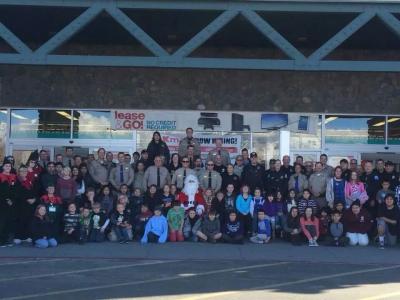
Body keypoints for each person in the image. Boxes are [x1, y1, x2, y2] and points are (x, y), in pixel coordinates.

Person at [14, 165, 38, 245]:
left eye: (25, 171)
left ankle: (26, 236)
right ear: (19, 172)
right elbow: (16, 193)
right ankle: (18, 237)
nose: (24, 172)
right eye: (22, 171)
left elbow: (34, 192)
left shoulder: (29, 181)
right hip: (20, 205)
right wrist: (27, 199)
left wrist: (34, 199)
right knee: (20, 221)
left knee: (29, 221)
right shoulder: (16, 181)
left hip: (30, 206)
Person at [0, 160, 17, 247]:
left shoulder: (13, 177)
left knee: (8, 221)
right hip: (2, 203)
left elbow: (14, 191)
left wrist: (12, 200)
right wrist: (6, 200)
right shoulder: (0, 176)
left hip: (10, 204)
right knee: (1, 222)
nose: (8, 168)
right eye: (6, 166)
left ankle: (6, 239)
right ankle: (1, 240)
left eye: (9, 166)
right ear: (3, 167)